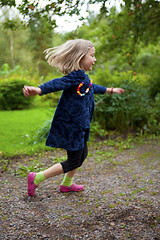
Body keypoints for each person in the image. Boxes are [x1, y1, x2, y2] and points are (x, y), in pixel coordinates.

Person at [23, 39, 124, 197]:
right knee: (74, 160)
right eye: (92, 55)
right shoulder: (75, 76)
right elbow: (58, 83)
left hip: (80, 124)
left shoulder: (82, 77)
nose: (94, 59)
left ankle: (67, 184)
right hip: (72, 126)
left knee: (81, 155)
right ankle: (37, 177)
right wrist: (38, 89)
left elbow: (92, 87)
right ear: (80, 57)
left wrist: (110, 90)